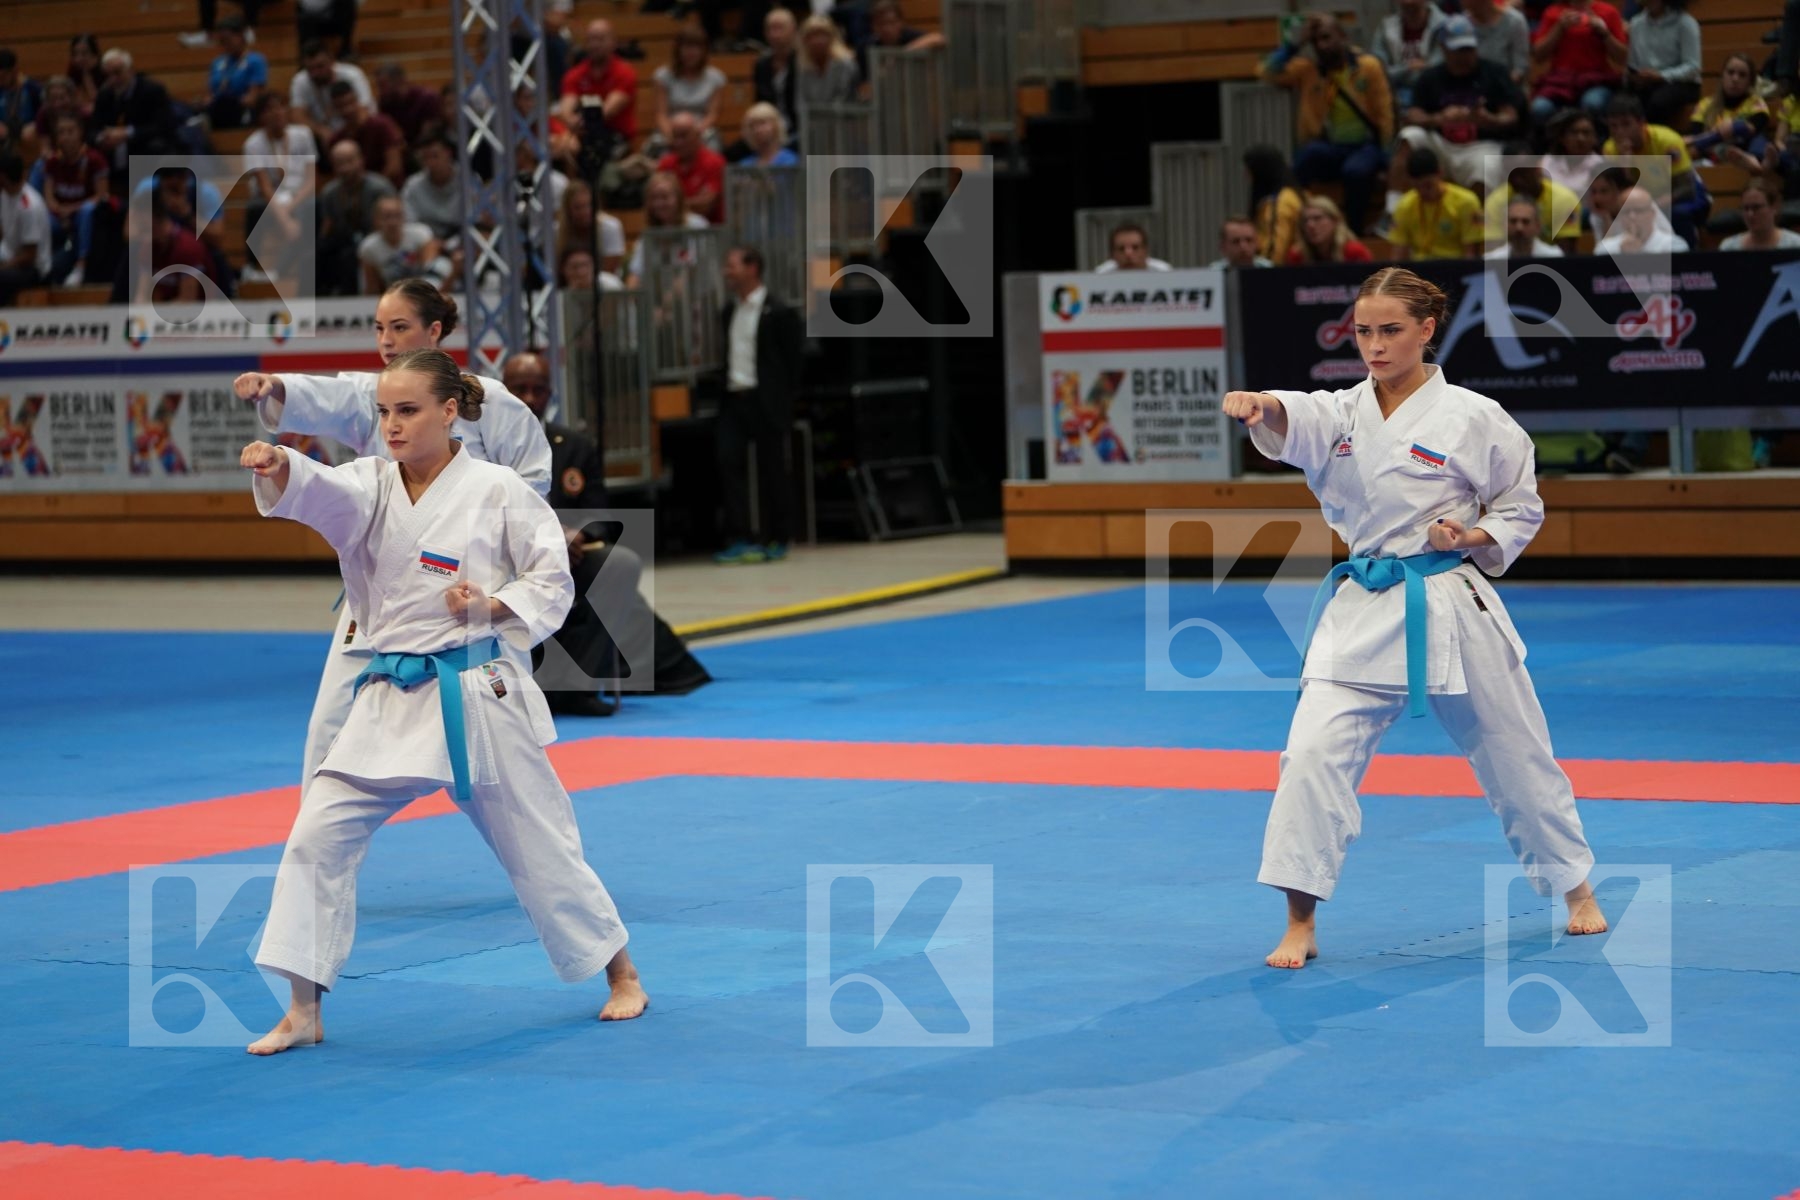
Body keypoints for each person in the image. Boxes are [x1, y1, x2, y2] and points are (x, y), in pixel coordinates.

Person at [238, 348, 647, 1055]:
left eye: (408, 410)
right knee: (316, 835)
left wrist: (492, 605)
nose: (392, 425)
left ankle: (623, 974)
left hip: (474, 692)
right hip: (389, 693)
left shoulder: (496, 489)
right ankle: (303, 1008)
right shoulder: (370, 483)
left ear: (450, 411)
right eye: (383, 413)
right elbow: (321, 492)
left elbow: (551, 577)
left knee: (540, 843)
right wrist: (281, 468)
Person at [1220, 266, 1608, 970]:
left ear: (1427, 330)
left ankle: (1576, 888)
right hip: (1362, 606)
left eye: (1391, 331)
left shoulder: (1474, 416)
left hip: (1450, 602)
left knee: (1518, 757)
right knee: (1309, 759)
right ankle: (1300, 920)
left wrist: (1473, 536)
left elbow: (1520, 505)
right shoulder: (1343, 413)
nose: (1374, 345)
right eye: (1363, 332)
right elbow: (1295, 415)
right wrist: (1262, 405)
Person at [232, 278, 554, 801]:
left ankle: (528, 828)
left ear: (434, 331)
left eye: (399, 327)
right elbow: (329, 396)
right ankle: (318, 830)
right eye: (379, 328)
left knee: (500, 729)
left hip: (468, 592)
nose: (386, 340)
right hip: (383, 582)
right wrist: (277, 388)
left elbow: (533, 479)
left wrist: (493, 548)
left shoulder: (489, 400)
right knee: (330, 723)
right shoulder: (370, 394)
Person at [500, 351, 712, 707]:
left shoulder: (574, 446)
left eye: (538, 389)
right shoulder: (484, 449)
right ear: (504, 392)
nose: (530, 398)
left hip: (569, 556)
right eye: (520, 389)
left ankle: (575, 686)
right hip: (509, 557)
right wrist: (547, 538)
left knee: (619, 564)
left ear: (551, 393)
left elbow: (599, 514)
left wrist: (577, 534)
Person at [1260, 13, 1393, 236]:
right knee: (1305, 159)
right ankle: (1292, 227)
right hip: (1330, 146)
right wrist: (1295, 44)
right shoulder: (1309, 70)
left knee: (1355, 171)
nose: (1321, 45)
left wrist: (1386, 161)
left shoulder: (1367, 66)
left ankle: (1353, 233)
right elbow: (1266, 71)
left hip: (1365, 146)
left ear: (1343, 36)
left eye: (1326, 37)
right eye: (1315, 41)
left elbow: (1385, 114)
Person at [715, 245, 803, 565]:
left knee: (773, 469)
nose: (727, 272)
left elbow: (793, 360)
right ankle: (740, 535)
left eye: (732, 265)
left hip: (765, 399)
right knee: (728, 461)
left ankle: (778, 535)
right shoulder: (729, 310)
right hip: (734, 397)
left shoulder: (778, 311)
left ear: (752, 268)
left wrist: (784, 397)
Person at [1394, 16, 1523, 193]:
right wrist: (1438, 118)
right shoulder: (1430, 76)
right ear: (1443, 48)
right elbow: (1413, 114)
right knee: (1409, 136)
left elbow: (1511, 115)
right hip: (1442, 143)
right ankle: (1393, 202)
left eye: (1469, 49)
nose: (1465, 55)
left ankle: (1476, 210)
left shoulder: (1495, 73)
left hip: (1480, 145)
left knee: (1486, 167)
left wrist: (1487, 118)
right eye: (1458, 50)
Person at [30, 114, 109, 285]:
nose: (66, 136)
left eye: (70, 131)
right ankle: (40, 263)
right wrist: (60, 211)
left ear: (80, 132)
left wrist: (71, 210)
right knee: (43, 217)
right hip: (60, 216)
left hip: (84, 215)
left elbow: (101, 196)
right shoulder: (52, 162)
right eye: (61, 132)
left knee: (87, 211)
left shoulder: (95, 159)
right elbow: (49, 198)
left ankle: (81, 264)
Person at [1528, 0, 1628, 127]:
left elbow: (1622, 58)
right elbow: (1538, 55)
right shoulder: (1553, 13)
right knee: (1539, 108)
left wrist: (1605, 34)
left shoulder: (1608, 12)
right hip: (1560, 81)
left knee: (1592, 103)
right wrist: (1559, 28)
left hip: (1596, 79)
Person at [1389, 148, 1484, 260]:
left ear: (1440, 173)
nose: (1423, 192)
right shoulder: (1404, 205)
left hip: (1454, 266)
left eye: (1428, 186)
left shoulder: (1466, 202)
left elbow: (1471, 254)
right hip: (1418, 267)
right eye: (1417, 187)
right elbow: (1398, 254)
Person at [1687, 54, 1771, 174]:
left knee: (1759, 138)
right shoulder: (1705, 105)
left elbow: (1754, 128)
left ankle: (1755, 161)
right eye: (1730, 72)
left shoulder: (1755, 103)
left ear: (1750, 82)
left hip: (1745, 150)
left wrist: (1733, 127)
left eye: (1742, 75)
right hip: (1711, 153)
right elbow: (1697, 137)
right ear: (1722, 76)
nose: (1735, 79)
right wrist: (1718, 134)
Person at [651, 26, 729, 155]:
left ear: (704, 51)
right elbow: (661, 114)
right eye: (687, 47)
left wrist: (693, 136)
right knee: (659, 151)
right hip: (671, 129)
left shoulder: (716, 78)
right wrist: (672, 135)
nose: (691, 53)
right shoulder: (662, 76)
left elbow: (713, 115)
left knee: (712, 150)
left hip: (702, 131)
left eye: (696, 48)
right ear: (678, 50)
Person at [1624, 0, 1700, 129]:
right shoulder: (1636, 23)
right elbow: (1633, 62)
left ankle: (1654, 137)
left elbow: (1692, 67)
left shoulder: (1685, 23)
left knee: (1658, 101)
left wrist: (1661, 75)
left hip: (1681, 83)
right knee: (1622, 101)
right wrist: (1635, 76)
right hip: (1647, 81)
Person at [357, 195, 446, 293]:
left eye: (397, 216)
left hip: (422, 292)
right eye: (387, 217)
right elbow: (372, 287)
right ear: (376, 220)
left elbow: (429, 270)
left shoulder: (420, 234)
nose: (392, 222)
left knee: (442, 264)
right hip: (393, 295)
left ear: (404, 217)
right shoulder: (369, 247)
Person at [1372, 0, 1448, 114]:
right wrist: (1407, 68)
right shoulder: (1385, 28)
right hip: (1395, 100)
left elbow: (1440, 69)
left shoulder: (1445, 25)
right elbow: (1378, 72)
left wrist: (1396, 73)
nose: (1408, 3)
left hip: (1435, 98)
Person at [656, 111, 727, 224]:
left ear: (697, 135)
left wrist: (672, 205)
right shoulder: (665, 164)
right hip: (673, 228)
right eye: (675, 136)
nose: (678, 142)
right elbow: (656, 205)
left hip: (710, 228)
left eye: (684, 136)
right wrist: (691, 203)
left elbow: (706, 206)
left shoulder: (715, 162)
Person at [0, 153, 51, 305]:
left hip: (34, 269)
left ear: (3, 177)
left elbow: (29, 256)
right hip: (10, 256)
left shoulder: (29, 206)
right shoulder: (4, 195)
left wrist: (4, 266)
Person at [203, 15, 267, 129]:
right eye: (222, 41)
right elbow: (209, 94)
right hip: (217, 110)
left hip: (241, 110)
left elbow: (253, 97)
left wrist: (232, 103)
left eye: (228, 40)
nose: (225, 45)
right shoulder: (217, 62)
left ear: (241, 36)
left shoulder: (255, 61)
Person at [1245, 144, 1304, 265]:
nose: (1246, 175)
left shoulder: (1280, 203)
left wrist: (1261, 270)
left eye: (1249, 170)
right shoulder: (1291, 194)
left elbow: (1275, 251)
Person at [558, 177, 627, 278]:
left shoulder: (610, 227)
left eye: (588, 205)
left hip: (604, 281)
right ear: (568, 210)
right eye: (578, 207)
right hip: (569, 282)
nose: (585, 212)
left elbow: (609, 271)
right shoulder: (557, 231)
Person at [1595, 184, 1688, 253]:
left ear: (1652, 214)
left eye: (1638, 210)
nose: (1632, 216)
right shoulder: (1605, 249)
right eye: (1626, 211)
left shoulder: (1674, 245)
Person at [753, 8, 800, 141]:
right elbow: (760, 102)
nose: (774, 34)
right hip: (769, 130)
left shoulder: (802, 62)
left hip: (799, 128)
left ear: (793, 30)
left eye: (779, 28)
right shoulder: (761, 64)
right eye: (770, 29)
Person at [1287, 195, 1373, 264]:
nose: (1310, 225)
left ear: (1335, 221)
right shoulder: (1297, 255)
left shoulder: (1355, 252)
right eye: (1305, 221)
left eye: (1317, 218)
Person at [1721, 178, 1800, 250]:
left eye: (1756, 207)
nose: (1750, 214)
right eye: (1746, 208)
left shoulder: (1795, 245)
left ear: (1774, 207)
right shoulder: (1729, 247)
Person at [1486, 194, 1564, 258]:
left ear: (1538, 226)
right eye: (1513, 221)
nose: (1519, 228)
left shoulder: (1555, 258)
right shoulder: (1492, 260)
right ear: (1505, 224)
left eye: (1526, 222)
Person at [0, 48, 44, 160]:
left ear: (14, 70)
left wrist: (35, 125)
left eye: (3, 76)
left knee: (28, 134)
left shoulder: (32, 89)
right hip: (4, 127)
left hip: (28, 128)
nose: (1, 80)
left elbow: (44, 113)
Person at [732, 101, 798, 167]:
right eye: (752, 126)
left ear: (776, 126)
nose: (757, 130)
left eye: (762, 123)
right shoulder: (745, 165)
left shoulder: (791, 161)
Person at [1094, 221, 1172, 272]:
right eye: (1121, 249)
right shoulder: (1101, 274)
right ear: (1112, 254)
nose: (1128, 253)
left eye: (1135, 247)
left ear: (1146, 251)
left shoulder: (1163, 272)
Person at [1208, 215, 1274, 270]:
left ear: (1257, 243)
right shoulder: (1213, 273)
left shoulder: (1271, 270)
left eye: (1249, 240)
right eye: (1236, 241)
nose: (1243, 246)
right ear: (1222, 246)